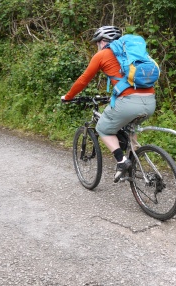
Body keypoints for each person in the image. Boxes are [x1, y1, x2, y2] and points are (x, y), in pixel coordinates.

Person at [61, 26, 156, 182]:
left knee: (102, 128)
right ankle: (133, 159)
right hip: (150, 101)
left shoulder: (102, 55)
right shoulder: (133, 54)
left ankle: (122, 161)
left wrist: (69, 96)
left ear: (103, 41)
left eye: (97, 43)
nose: (97, 46)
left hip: (128, 103)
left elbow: (83, 80)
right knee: (130, 127)